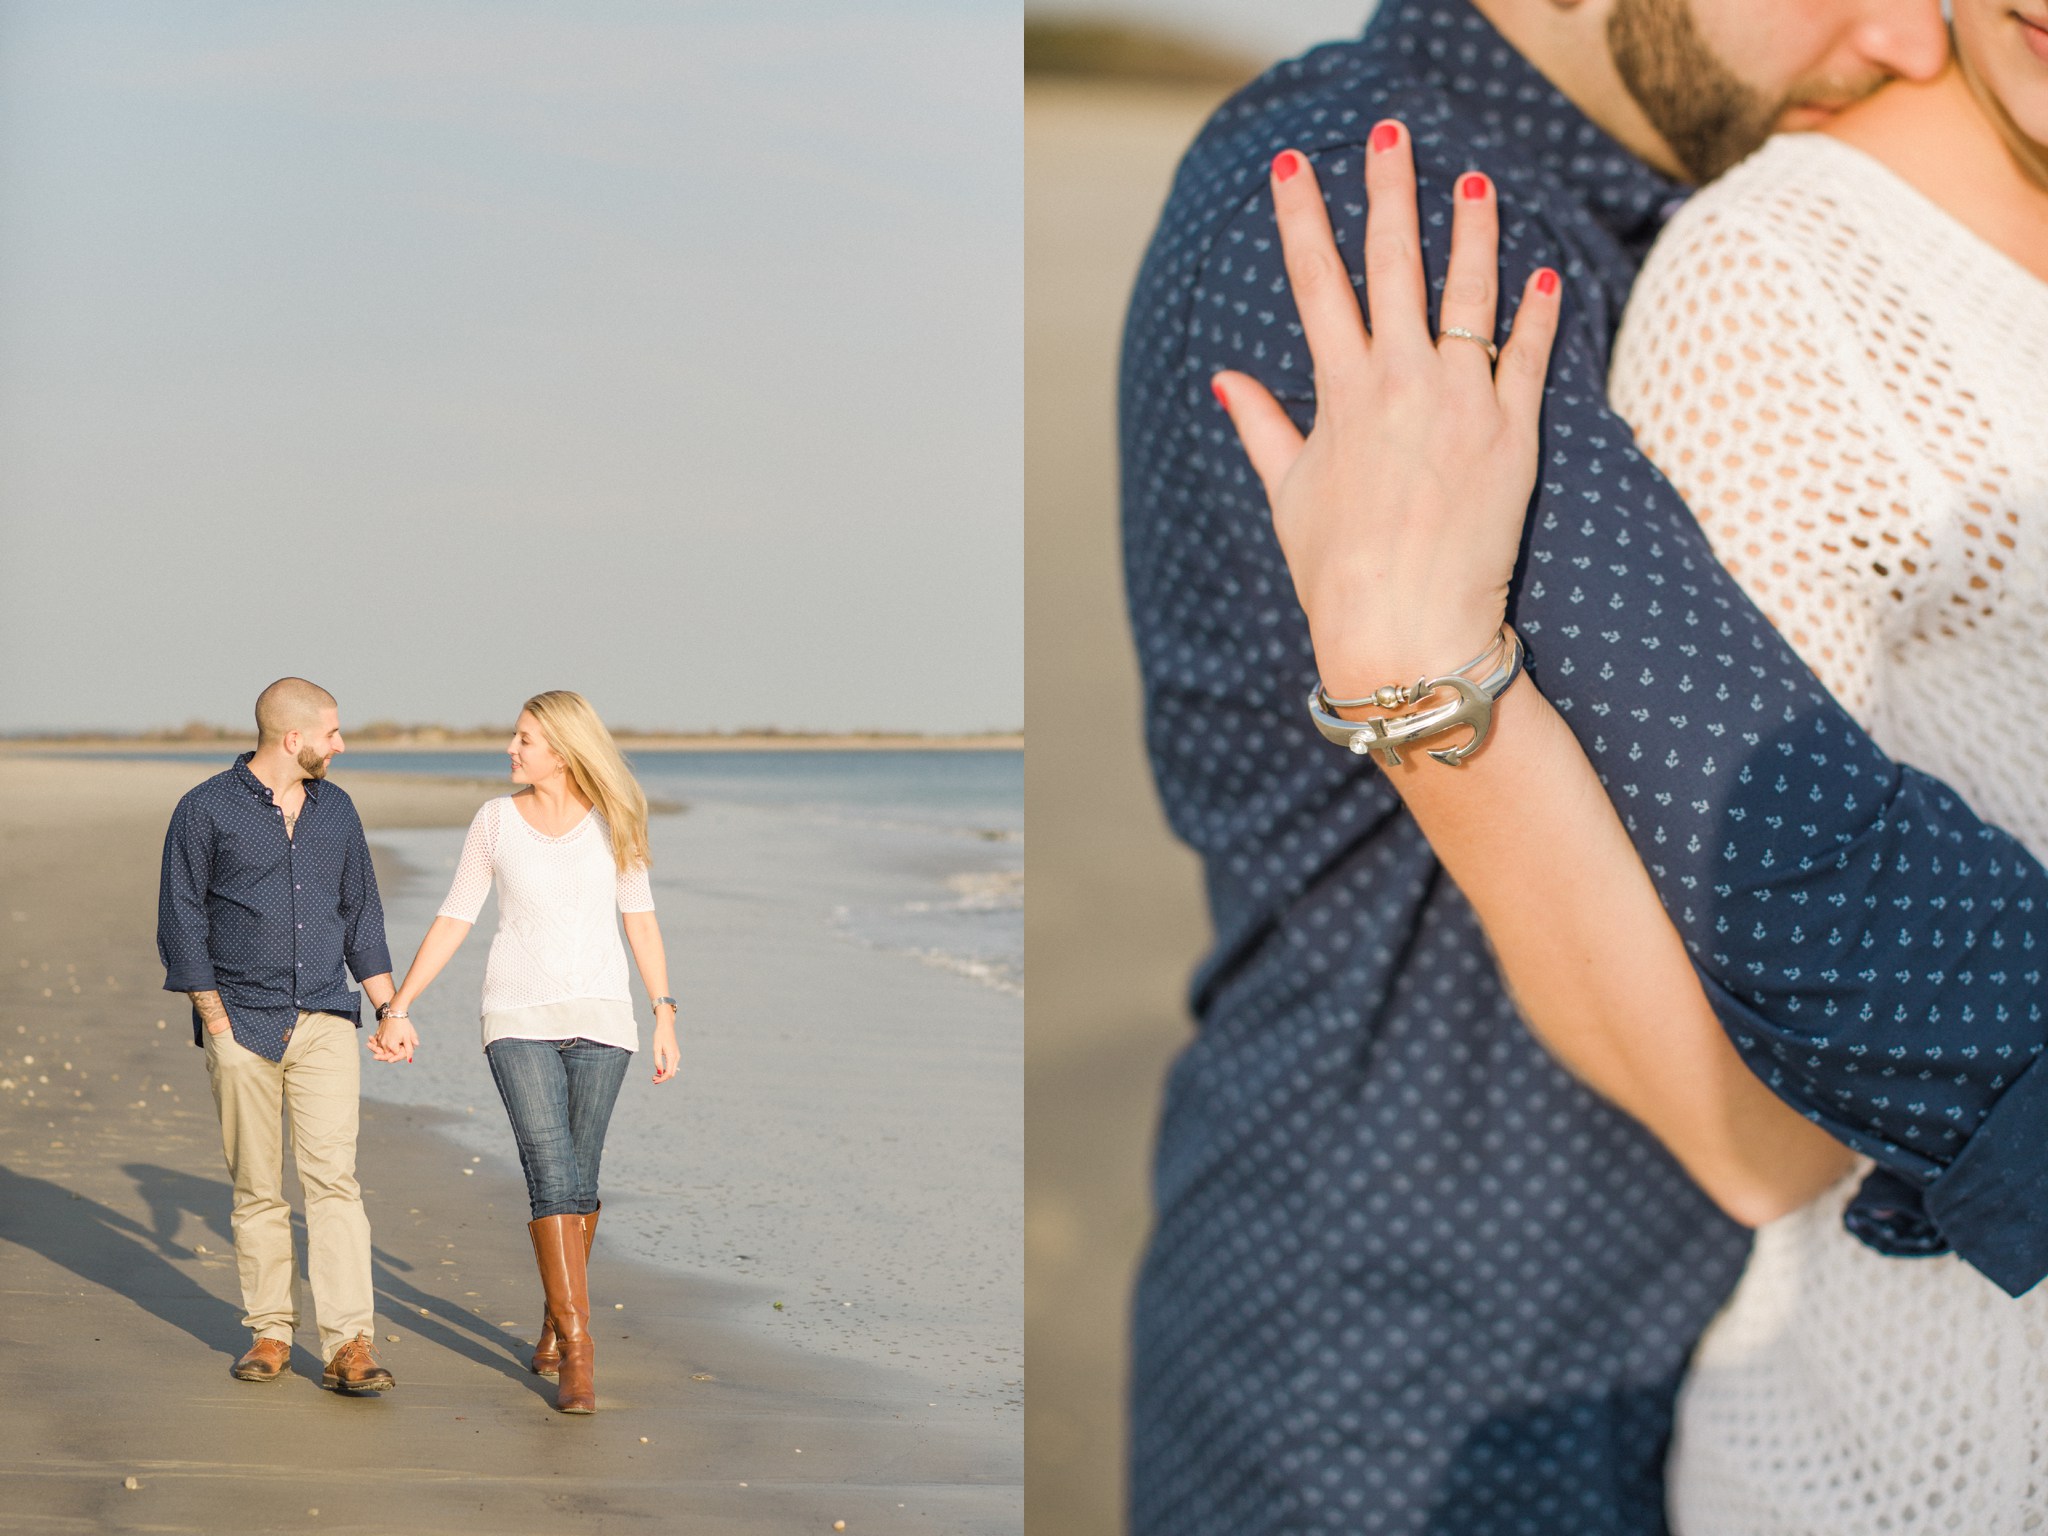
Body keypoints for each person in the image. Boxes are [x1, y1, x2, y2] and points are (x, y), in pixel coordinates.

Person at [1122, 0, 2048, 1529]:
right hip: (1401, 1381)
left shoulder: (1638, 182)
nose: (1903, 41)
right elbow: (1805, 847)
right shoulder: (1376, 198)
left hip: (1658, 1336)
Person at [370, 691, 681, 1414]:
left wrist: (664, 1014)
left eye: (525, 739)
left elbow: (641, 923)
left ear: (565, 750)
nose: (511, 749)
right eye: (515, 737)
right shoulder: (494, 822)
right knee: (550, 1169)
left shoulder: (615, 823)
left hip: (605, 1021)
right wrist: (399, 1005)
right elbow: (455, 916)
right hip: (515, 1015)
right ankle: (580, 1351)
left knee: (580, 1176)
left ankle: (551, 1321)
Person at [156, 677, 397, 1393]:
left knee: (335, 1184)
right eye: (332, 731)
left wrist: (390, 1008)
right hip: (239, 1022)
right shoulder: (204, 810)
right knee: (258, 1187)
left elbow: (363, 917)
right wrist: (214, 1018)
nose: (341, 744)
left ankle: (350, 1342)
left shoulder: (338, 812)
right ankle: (270, 1332)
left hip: (325, 1017)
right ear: (294, 739)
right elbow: (179, 919)